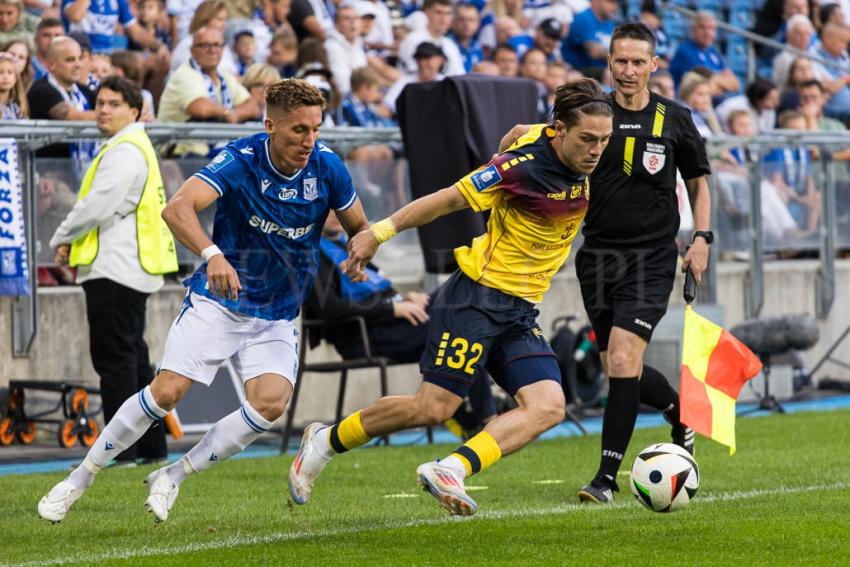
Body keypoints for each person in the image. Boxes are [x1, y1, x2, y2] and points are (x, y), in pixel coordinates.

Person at [37, 78, 371, 524]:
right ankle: (76, 480)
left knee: (270, 403)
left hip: (277, 311)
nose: (310, 141)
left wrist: (360, 252)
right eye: (298, 130)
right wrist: (212, 255)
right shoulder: (240, 159)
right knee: (166, 393)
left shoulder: (328, 166)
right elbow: (177, 208)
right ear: (270, 124)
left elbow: (360, 226)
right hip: (221, 301)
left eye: (316, 129)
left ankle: (173, 474)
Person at [288, 77, 614, 516]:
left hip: (518, 310)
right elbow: (443, 201)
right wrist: (377, 233)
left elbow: (519, 129)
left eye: (604, 140)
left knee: (548, 406)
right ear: (561, 130)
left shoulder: (543, 135)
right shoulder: (520, 169)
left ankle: (451, 468)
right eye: (588, 139)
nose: (596, 149)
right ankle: (325, 441)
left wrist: (504, 146)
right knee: (433, 408)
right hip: (476, 298)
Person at [498, 22, 711, 505]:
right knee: (618, 368)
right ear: (609, 63)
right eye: (621, 61)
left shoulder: (674, 119)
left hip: (653, 256)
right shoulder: (595, 116)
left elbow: (698, 180)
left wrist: (702, 237)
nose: (629, 70)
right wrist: (525, 132)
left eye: (639, 62)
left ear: (654, 65)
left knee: (620, 358)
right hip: (595, 255)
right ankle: (680, 411)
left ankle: (606, 478)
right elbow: (554, 135)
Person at [48, 75, 177, 467]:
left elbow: (96, 206)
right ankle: (151, 449)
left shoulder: (124, 150)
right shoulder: (134, 145)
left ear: (134, 111)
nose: (103, 109)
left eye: (114, 104)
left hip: (115, 269)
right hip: (130, 267)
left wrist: (61, 236)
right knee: (135, 361)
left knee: (116, 362)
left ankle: (120, 452)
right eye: (100, 102)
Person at [306, 212, 497, 435]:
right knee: (460, 330)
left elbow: (379, 287)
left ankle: (473, 416)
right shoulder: (311, 254)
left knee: (460, 290)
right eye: (327, 209)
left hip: (395, 323)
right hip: (365, 334)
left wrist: (403, 297)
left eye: (338, 208)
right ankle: (486, 421)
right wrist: (392, 308)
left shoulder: (348, 244)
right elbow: (329, 309)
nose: (336, 215)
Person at [668, 11, 740, 97]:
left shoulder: (713, 52)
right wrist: (722, 82)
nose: (707, 32)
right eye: (702, 27)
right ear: (693, 30)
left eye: (710, 28)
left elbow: (735, 84)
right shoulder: (685, 51)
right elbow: (706, 88)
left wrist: (717, 81)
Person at [0, 51, 27, 118]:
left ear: (16, 78)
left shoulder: (17, 107)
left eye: (10, 72)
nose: (5, 77)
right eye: (0, 72)